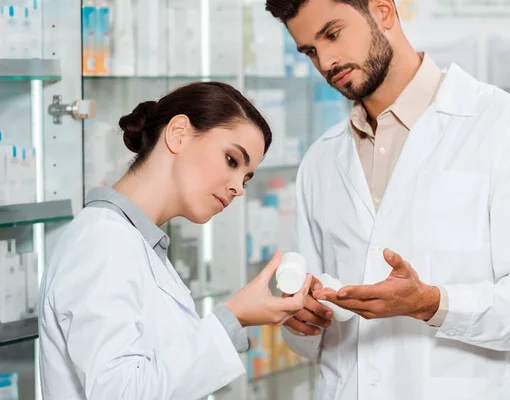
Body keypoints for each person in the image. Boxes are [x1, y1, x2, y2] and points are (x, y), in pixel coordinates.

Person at [265, 1, 510, 399]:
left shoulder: (509, 126)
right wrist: (302, 320)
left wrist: (431, 303)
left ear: (384, 11)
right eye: (309, 50)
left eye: (333, 34)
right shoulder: (320, 160)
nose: (326, 61)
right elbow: (311, 318)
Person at [38, 82, 312, 399]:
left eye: (246, 178)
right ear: (178, 133)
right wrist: (233, 318)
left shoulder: (139, 244)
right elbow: (119, 392)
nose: (238, 188)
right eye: (232, 161)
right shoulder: (102, 241)